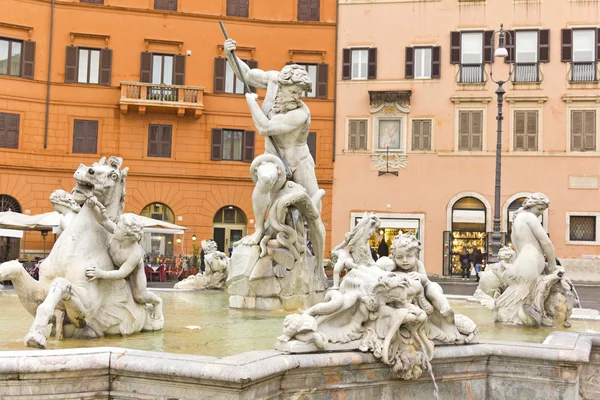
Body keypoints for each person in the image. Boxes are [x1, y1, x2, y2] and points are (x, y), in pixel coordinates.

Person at [223, 38, 326, 266]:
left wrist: (251, 103)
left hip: (299, 161)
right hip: (273, 158)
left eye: (300, 93)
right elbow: (247, 75)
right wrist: (231, 56)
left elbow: (264, 127)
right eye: (295, 91)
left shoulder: (301, 113)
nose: (298, 97)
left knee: (314, 214)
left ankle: (318, 265)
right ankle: (259, 230)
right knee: (266, 178)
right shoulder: (272, 80)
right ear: (283, 84)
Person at [84, 196, 163, 320]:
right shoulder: (117, 234)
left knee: (140, 296)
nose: (115, 227)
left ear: (127, 235)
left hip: (133, 274)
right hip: (113, 264)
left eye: (119, 227)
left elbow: (121, 273)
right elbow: (103, 221)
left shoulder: (135, 253)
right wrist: (93, 206)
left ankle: (157, 302)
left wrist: (100, 273)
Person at [390, 233, 454, 323]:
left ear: (416, 255)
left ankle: (445, 308)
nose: (404, 260)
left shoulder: (418, 264)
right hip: (408, 294)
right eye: (399, 257)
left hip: (426, 286)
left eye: (409, 256)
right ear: (394, 257)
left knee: (433, 292)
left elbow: (424, 278)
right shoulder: (394, 266)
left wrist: (419, 276)